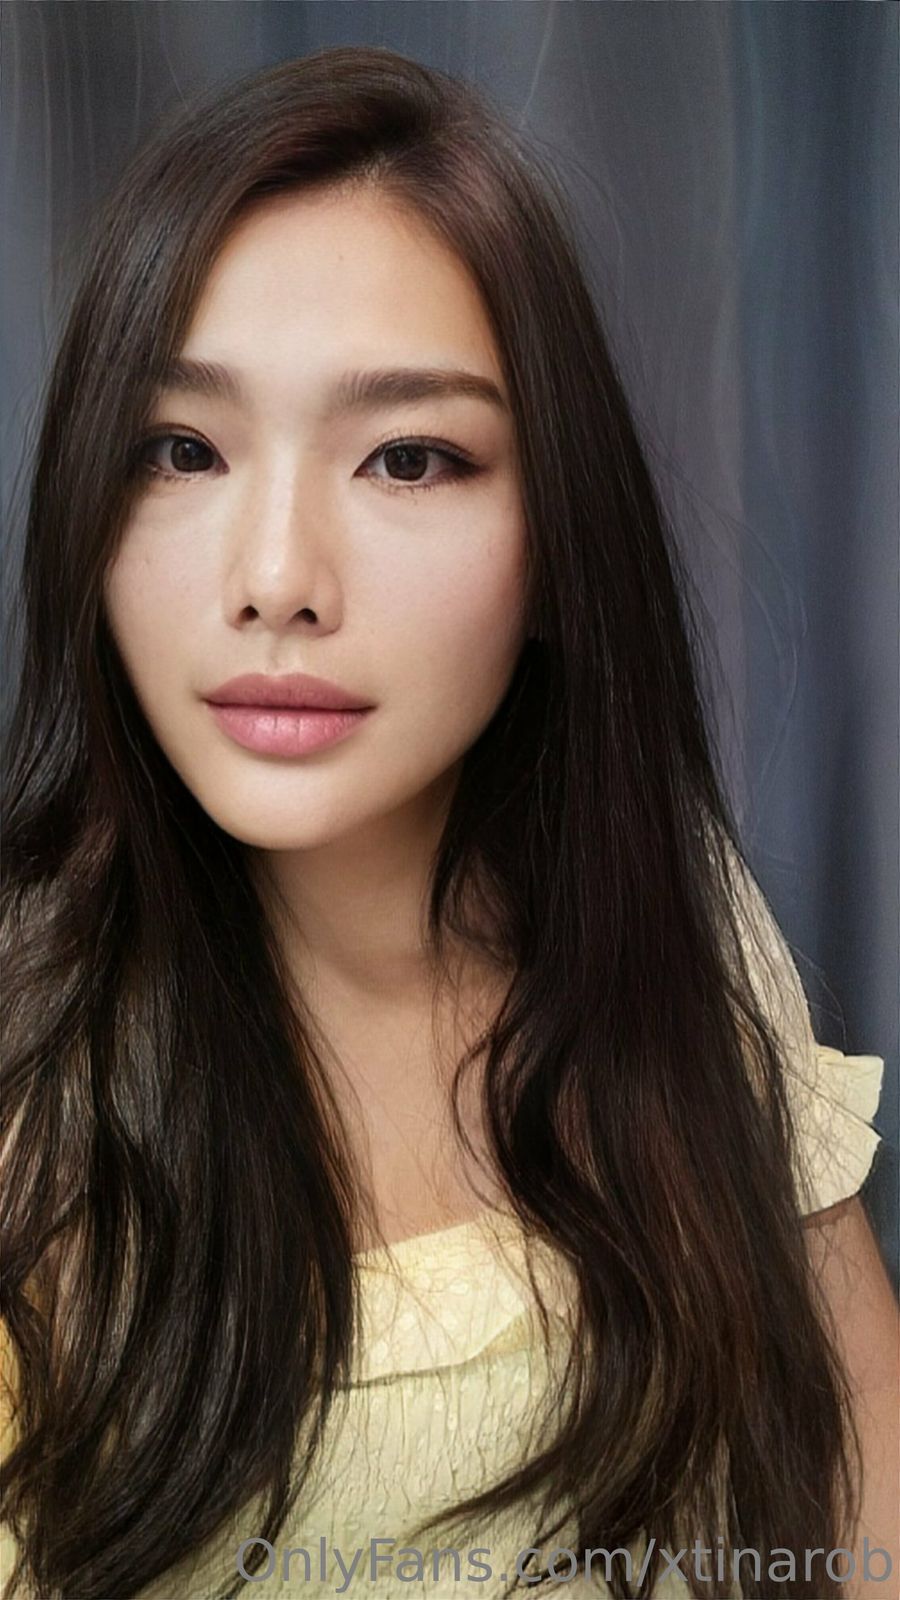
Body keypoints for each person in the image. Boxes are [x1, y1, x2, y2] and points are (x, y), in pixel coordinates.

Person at [0, 44, 895, 1600]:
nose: (277, 579)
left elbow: (862, 1466)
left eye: (409, 457)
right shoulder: (34, 1086)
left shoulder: (670, 926)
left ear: (558, 546)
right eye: (182, 449)